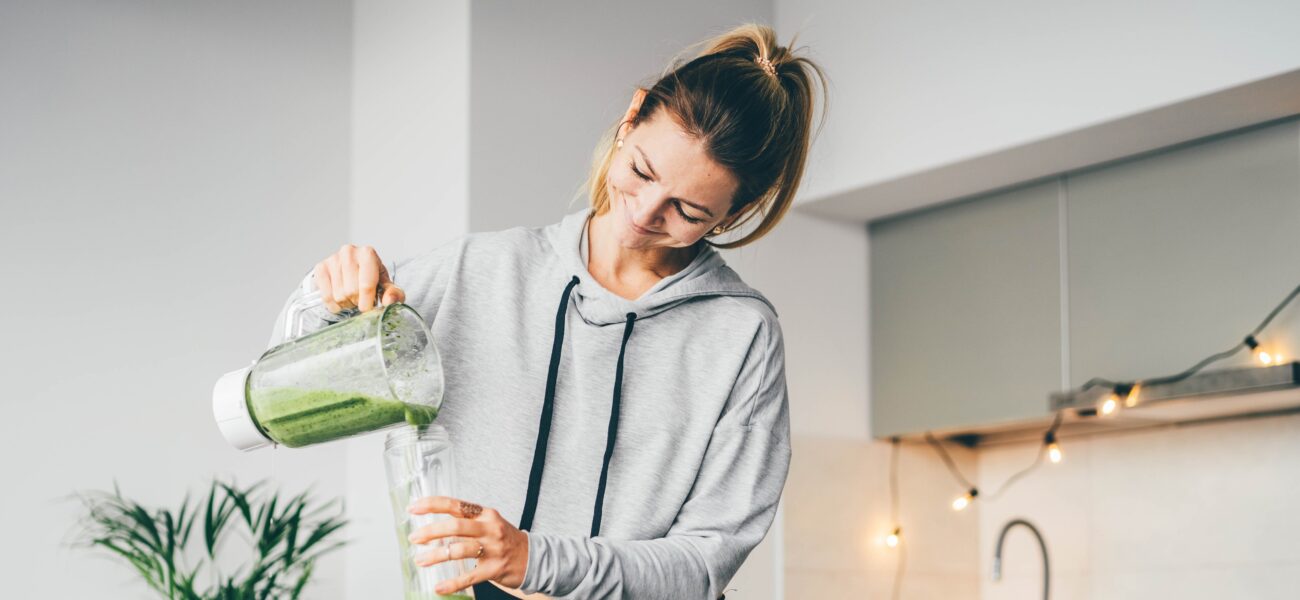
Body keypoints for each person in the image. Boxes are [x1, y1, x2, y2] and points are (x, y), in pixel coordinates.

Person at [274, 23, 826, 600]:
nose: (642, 215)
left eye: (687, 210)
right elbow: (289, 387)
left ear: (736, 212)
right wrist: (325, 297)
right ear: (632, 116)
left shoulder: (740, 334)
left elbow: (705, 563)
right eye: (641, 172)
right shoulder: (479, 270)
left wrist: (533, 559)